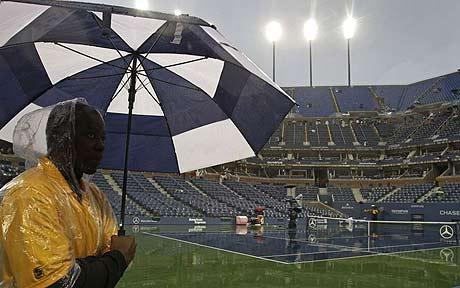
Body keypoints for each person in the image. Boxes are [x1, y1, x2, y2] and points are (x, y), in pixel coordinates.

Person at [0, 99, 136, 287]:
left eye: (102, 138)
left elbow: (98, 263)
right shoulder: (29, 194)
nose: (100, 145)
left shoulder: (95, 197)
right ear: (61, 138)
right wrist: (118, 258)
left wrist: (85, 267)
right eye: (90, 135)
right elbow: (57, 283)